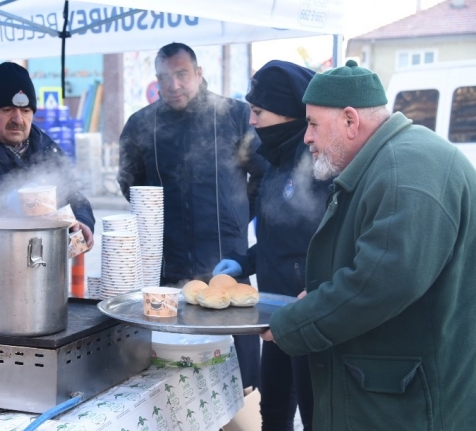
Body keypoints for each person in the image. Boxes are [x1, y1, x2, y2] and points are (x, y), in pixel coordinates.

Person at [261, 60, 476, 431]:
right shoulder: (388, 160)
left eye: (313, 124)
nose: (306, 137)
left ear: (350, 120)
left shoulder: (404, 172)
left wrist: (294, 325)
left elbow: (379, 284)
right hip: (397, 391)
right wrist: (316, 297)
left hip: (413, 405)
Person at [117, 42, 267, 388]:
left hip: (226, 260)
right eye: (165, 77)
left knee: (240, 368)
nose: (173, 84)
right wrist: (155, 224)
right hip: (166, 268)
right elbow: (130, 182)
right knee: (173, 368)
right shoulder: (141, 124)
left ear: (199, 74)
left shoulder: (233, 115)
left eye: (182, 74)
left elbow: (263, 173)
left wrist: (237, 213)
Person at [212, 60, 332, 430]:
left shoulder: (316, 161)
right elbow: (276, 235)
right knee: (274, 407)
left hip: (308, 308)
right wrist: (242, 261)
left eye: (258, 111)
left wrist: (313, 297)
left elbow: (321, 241)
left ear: (285, 111)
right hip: (274, 309)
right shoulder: (277, 158)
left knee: (313, 414)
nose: (252, 120)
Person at [0, 61, 95, 321]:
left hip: (40, 293)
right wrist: (7, 207)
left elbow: (74, 193)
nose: (18, 119)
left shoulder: (47, 147)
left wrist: (83, 220)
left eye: (25, 110)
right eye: (6, 109)